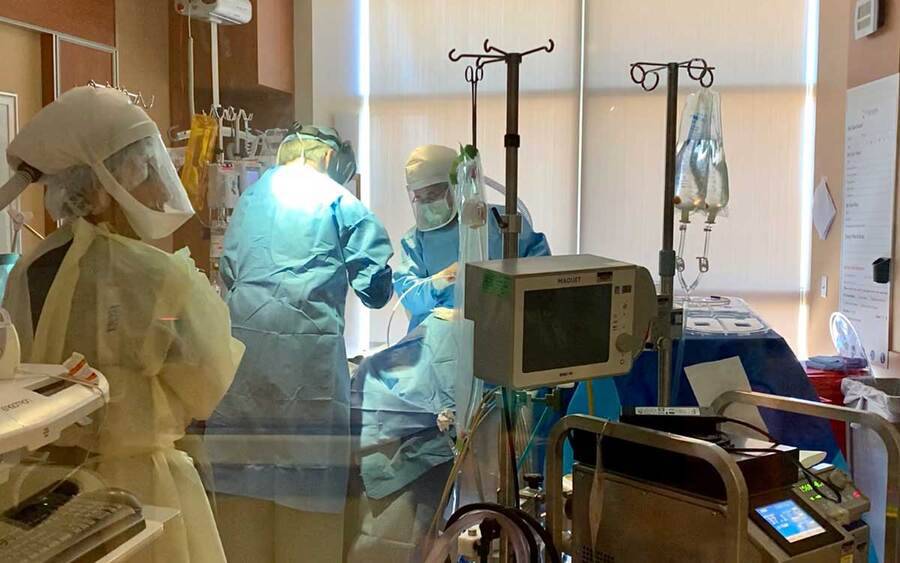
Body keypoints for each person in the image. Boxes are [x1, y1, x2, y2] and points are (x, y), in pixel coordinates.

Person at [1, 86, 243, 562]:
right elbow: (208, 386)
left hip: (41, 490)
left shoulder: (29, 268)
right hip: (142, 493)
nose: (160, 186)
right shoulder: (159, 276)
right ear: (106, 186)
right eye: (146, 171)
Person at [204, 124, 394, 562]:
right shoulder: (339, 202)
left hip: (243, 378)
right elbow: (376, 291)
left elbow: (228, 280)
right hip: (308, 383)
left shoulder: (250, 199)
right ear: (329, 160)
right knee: (306, 536)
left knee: (240, 533)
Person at [394, 144, 551, 330]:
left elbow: (541, 276)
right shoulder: (416, 239)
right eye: (419, 198)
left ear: (456, 186)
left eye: (432, 195)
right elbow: (409, 296)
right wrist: (437, 282)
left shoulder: (501, 221)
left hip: (500, 329)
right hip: (437, 338)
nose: (426, 204)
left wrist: (495, 285)